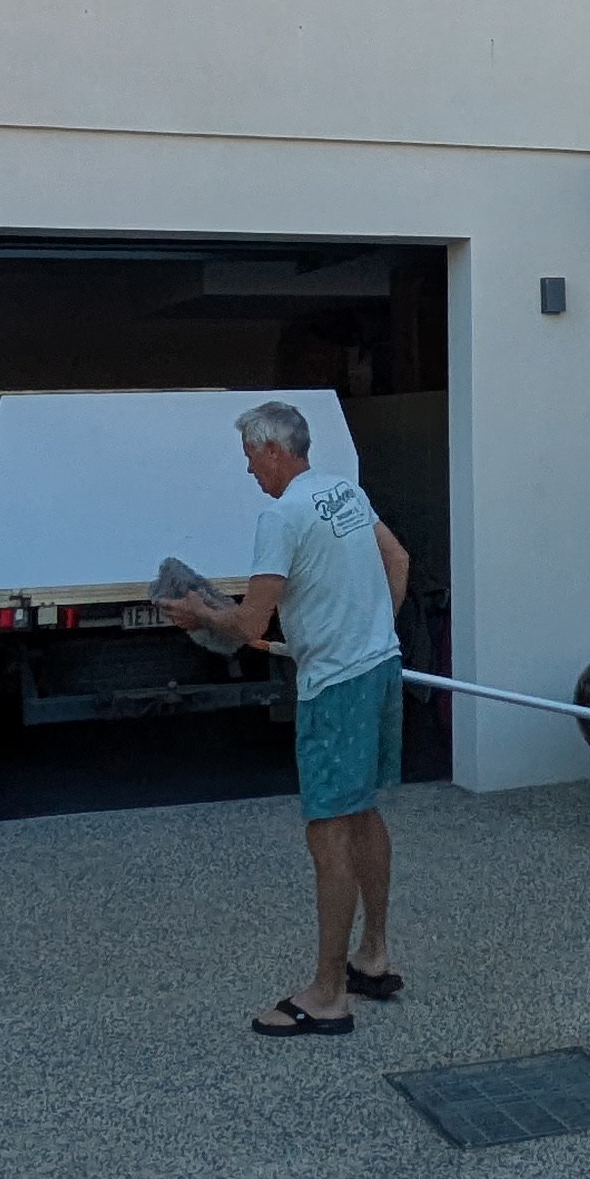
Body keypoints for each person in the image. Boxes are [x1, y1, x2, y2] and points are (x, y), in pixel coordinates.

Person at [164, 397, 410, 1037]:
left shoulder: (282, 515)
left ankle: (328, 995)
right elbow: (398, 561)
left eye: (251, 456)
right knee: (362, 811)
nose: (249, 470)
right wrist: (371, 628)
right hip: (380, 667)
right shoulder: (343, 491)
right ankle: (373, 956)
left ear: (274, 449)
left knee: (328, 833)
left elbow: (249, 624)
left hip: (335, 688)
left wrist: (199, 614)